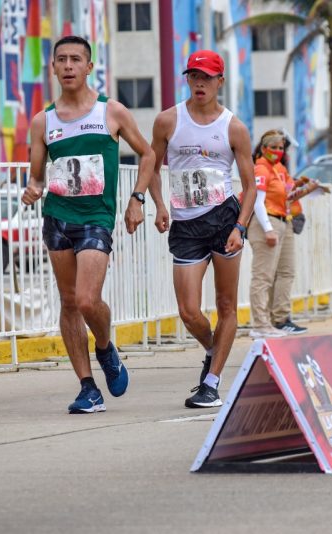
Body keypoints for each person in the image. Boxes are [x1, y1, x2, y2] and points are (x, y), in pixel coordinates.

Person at [22, 35, 156, 414]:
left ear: (89, 66)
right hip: (58, 218)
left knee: (86, 299)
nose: (67, 66)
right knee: (68, 302)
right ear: (52, 67)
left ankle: (105, 346)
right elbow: (36, 176)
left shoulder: (110, 112)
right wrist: (32, 190)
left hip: (96, 218)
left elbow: (148, 154)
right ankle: (87, 388)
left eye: (75, 59)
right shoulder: (42, 122)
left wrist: (137, 198)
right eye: (61, 59)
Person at [148, 49, 256, 408]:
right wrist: (159, 204)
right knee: (189, 311)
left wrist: (240, 227)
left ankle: (212, 382)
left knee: (226, 304)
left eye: (207, 77)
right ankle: (213, 349)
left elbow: (251, 186)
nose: (200, 82)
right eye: (194, 75)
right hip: (185, 224)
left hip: (224, 218)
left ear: (220, 82)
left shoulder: (233, 127)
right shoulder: (168, 121)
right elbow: (151, 163)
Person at [248, 129, 322, 338]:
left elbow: (287, 195)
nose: (278, 151)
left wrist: (306, 189)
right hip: (268, 222)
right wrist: (268, 229)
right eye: (273, 147)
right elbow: (257, 202)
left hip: (283, 219)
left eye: (281, 148)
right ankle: (261, 323)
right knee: (263, 276)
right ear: (263, 149)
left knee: (285, 272)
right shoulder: (262, 169)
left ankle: (277, 319)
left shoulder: (277, 168)